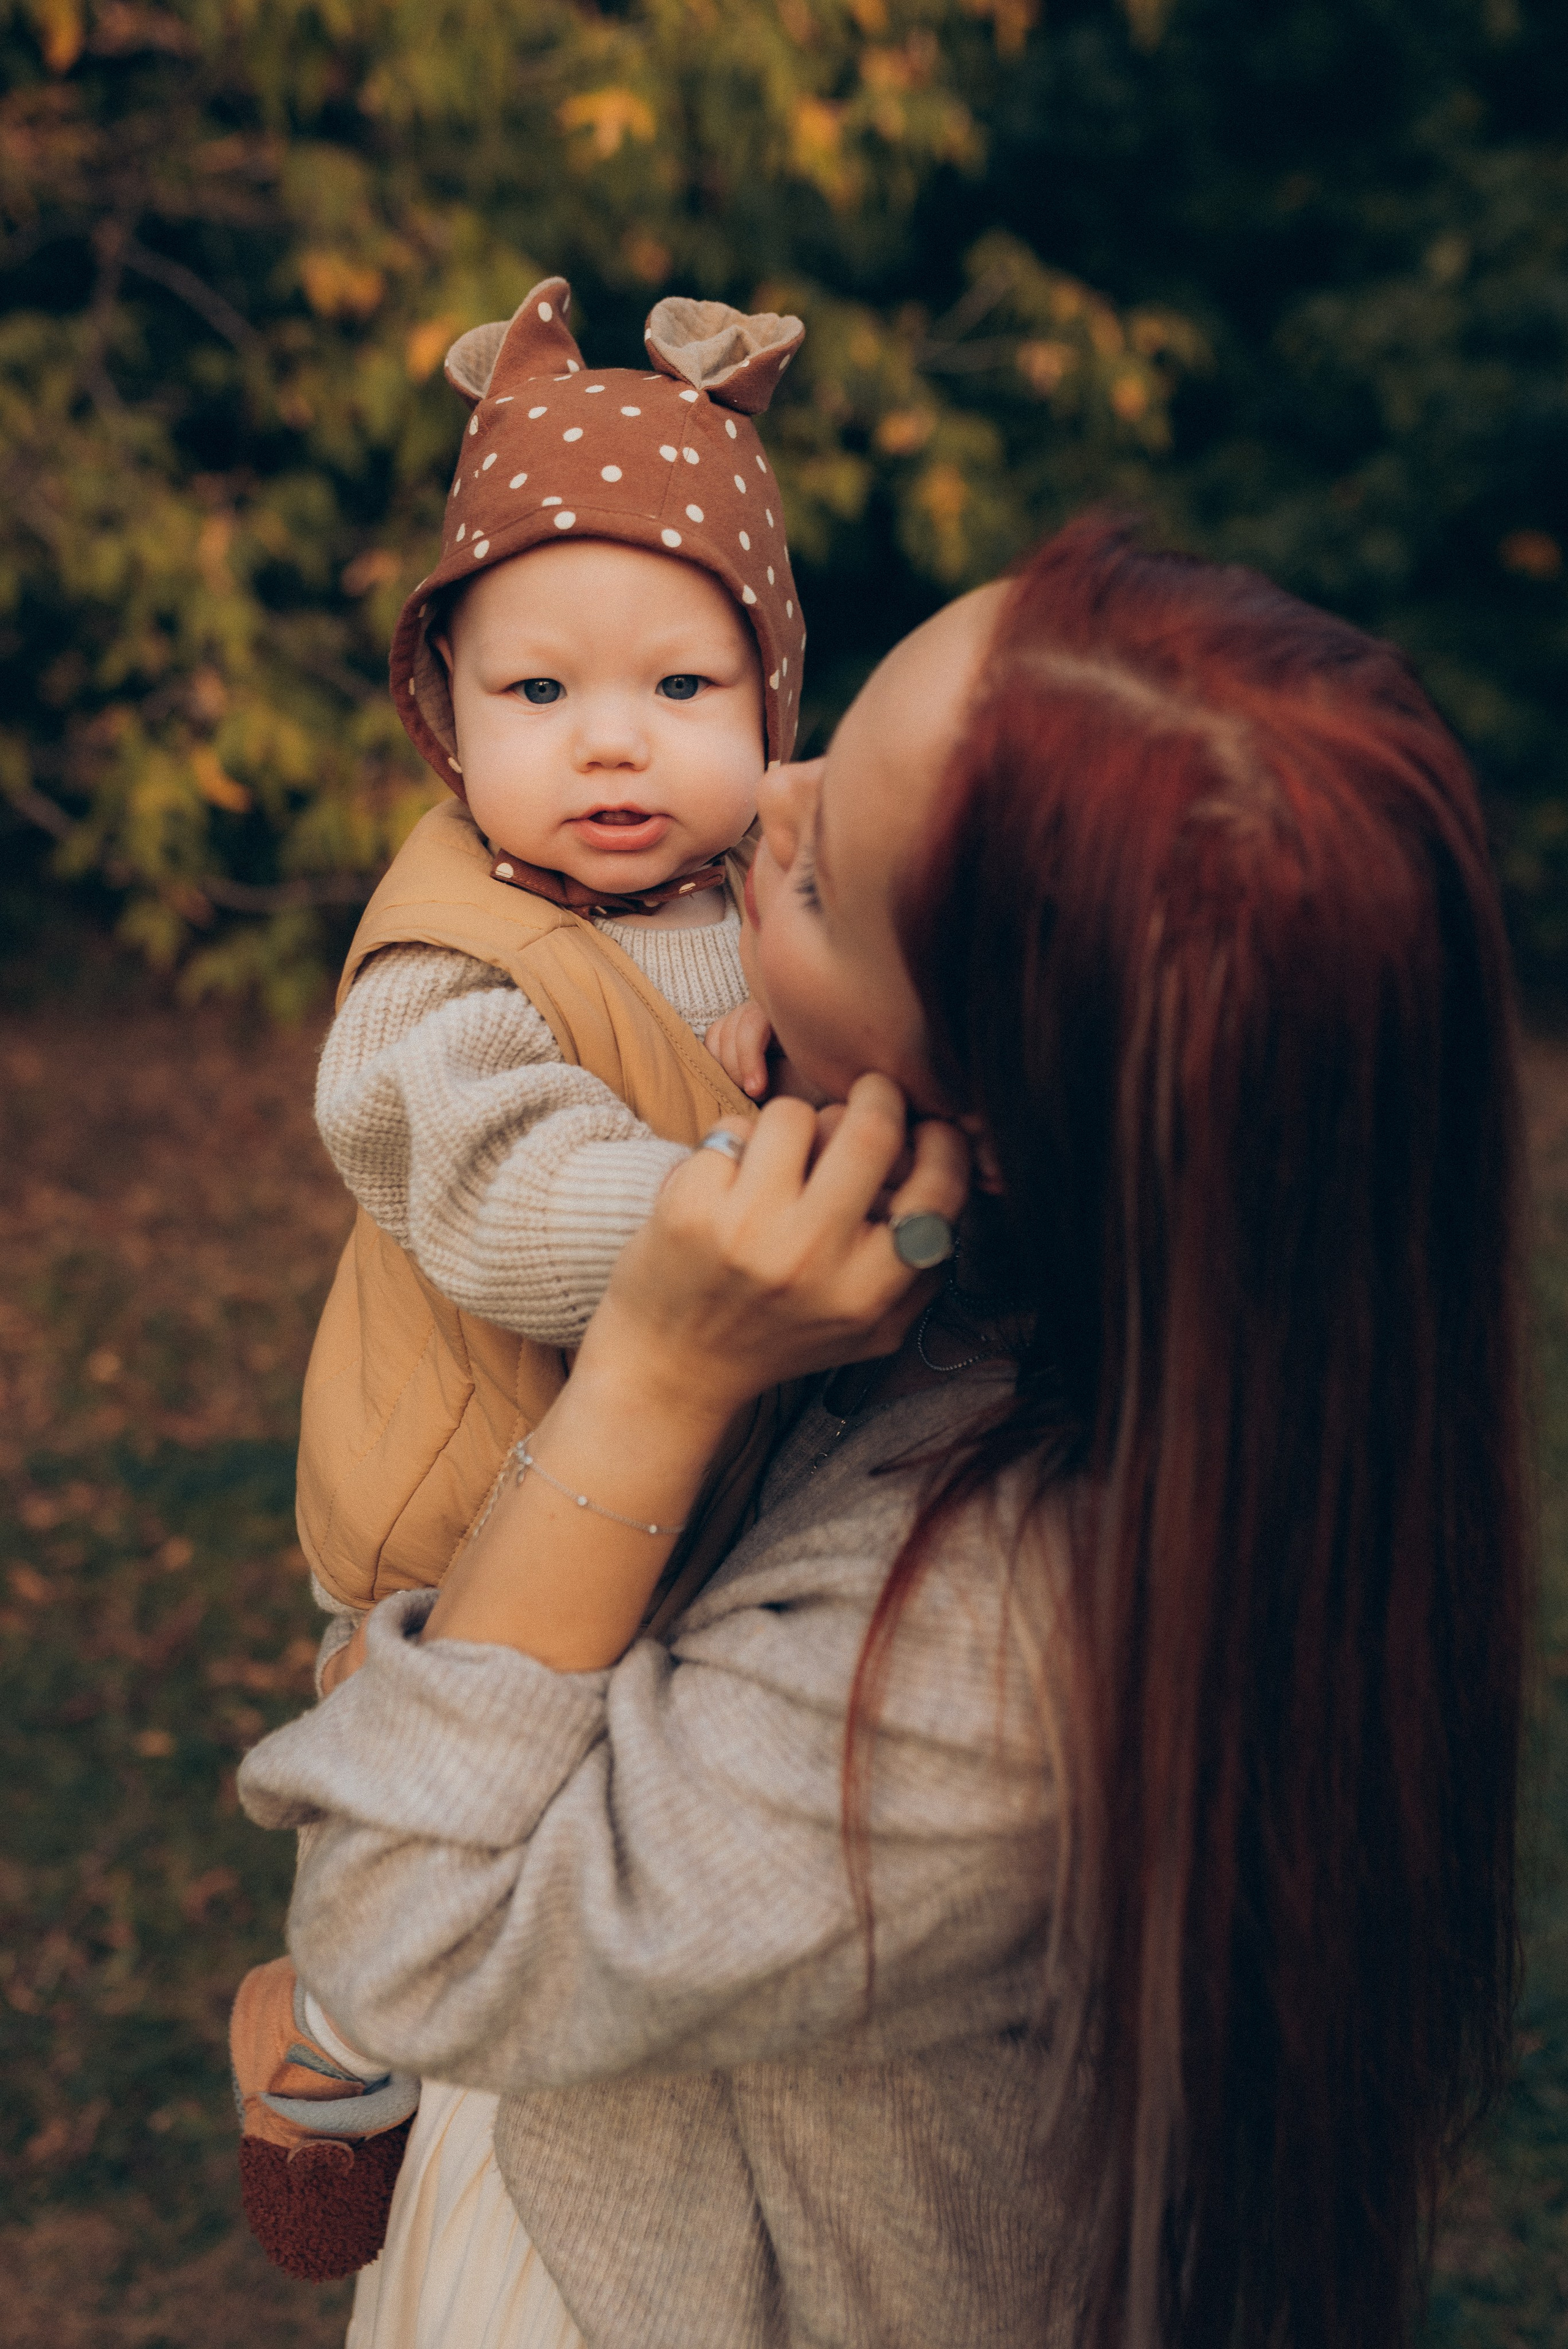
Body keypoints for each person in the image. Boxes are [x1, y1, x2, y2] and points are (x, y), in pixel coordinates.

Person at [238, 515, 1526, 2349]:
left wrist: (656, 1368)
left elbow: (399, 1930)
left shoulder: (993, 1664)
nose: (763, 793)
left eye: (822, 878)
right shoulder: (1139, 1312)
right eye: (823, 743)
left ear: (999, 1120)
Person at [228, 273, 815, 2275]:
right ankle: (325, 2047)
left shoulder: (774, 900)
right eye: (539, 695)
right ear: (445, 718)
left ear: (772, 708)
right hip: (465, 1521)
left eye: (684, 687)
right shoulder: (437, 964)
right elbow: (504, 1190)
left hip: (686, 1511)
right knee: (433, 1826)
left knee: (637, 1866)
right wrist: (733, 1200)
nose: (612, 742)